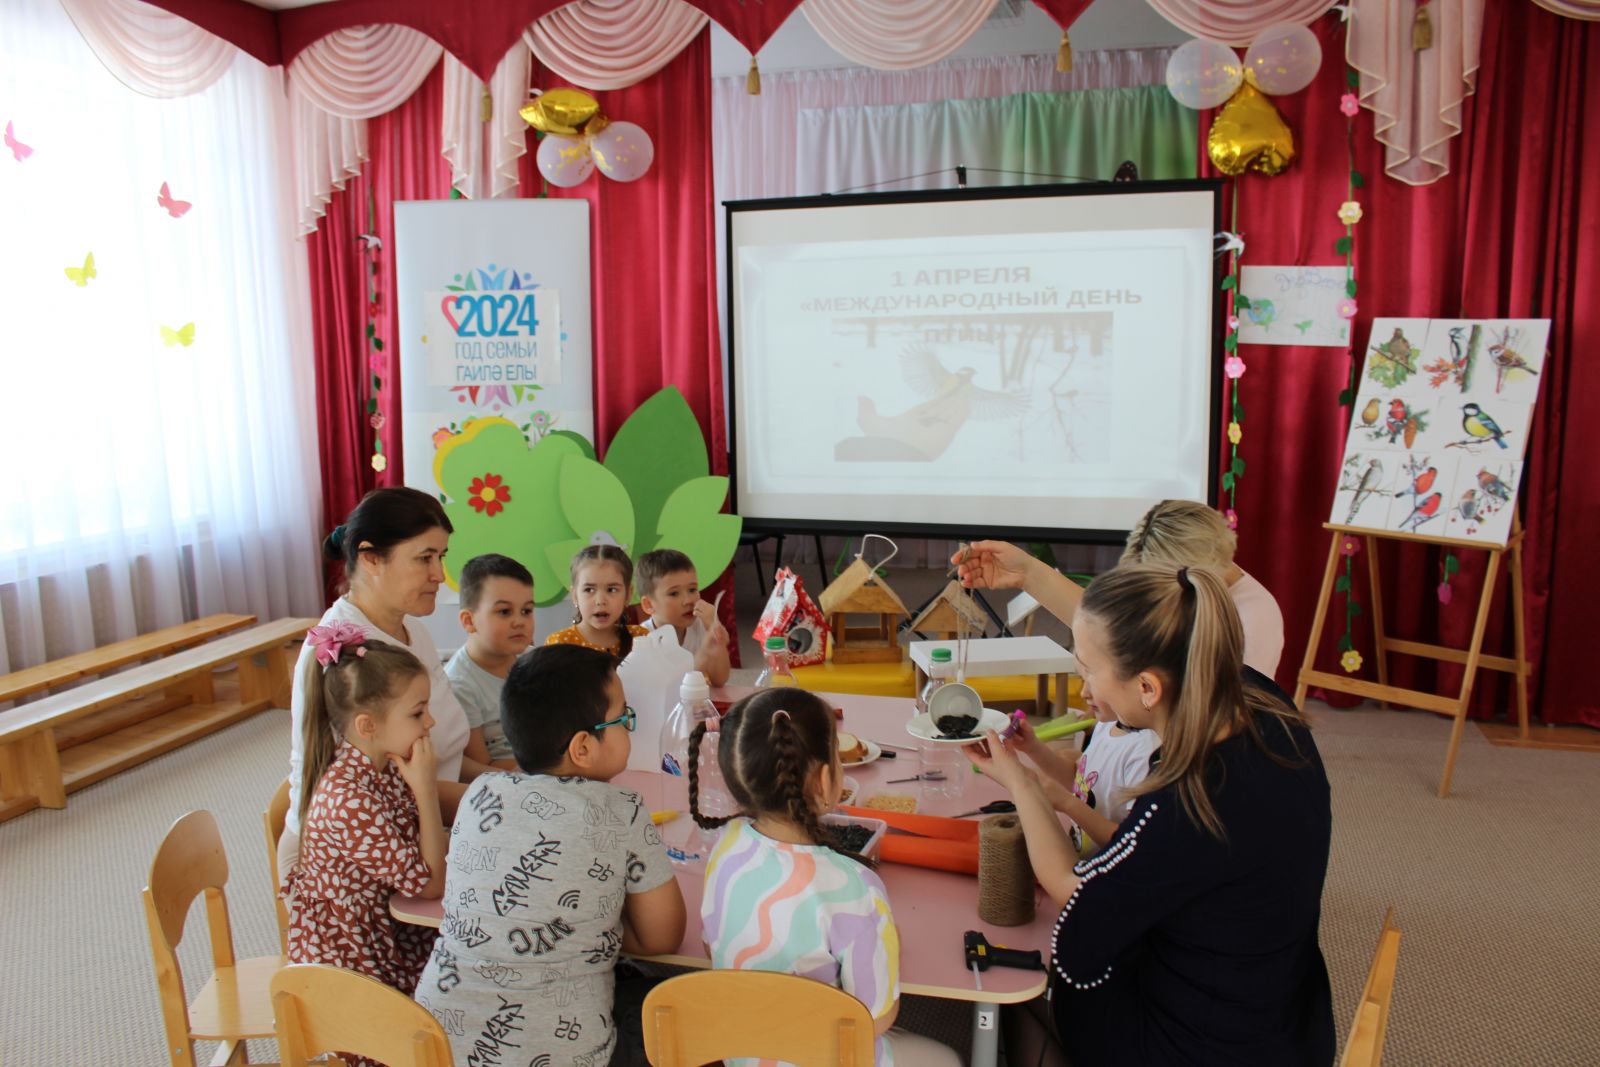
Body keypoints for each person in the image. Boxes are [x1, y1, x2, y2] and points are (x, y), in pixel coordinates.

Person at [970, 564, 1335, 1066]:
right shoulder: (1254, 697)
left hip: (1214, 1044)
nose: (1083, 686)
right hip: (1286, 1004)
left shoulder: (1191, 802)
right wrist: (1028, 572)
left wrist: (1022, 784)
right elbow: (1120, 633)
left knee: (1030, 982)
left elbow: (1077, 895)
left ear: (1146, 687)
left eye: (1087, 671)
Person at [414, 644, 686, 1067]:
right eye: (623, 718)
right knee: (673, 1006)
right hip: (567, 1056)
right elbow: (662, 938)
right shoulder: (623, 810)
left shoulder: (480, 793)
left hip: (435, 1047)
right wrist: (590, 932)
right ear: (583, 748)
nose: (630, 727)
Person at [691, 689, 962, 1067]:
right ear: (822, 780)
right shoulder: (855, 887)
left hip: (743, 1053)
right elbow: (875, 1019)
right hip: (826, 1058)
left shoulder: (725, 843)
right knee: (948, 1058)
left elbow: (711, 946)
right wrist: (886, 945)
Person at [283, 488, 491, 880]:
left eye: (441, 557)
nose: (439, 575)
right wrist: (501, 798)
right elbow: (393, 795)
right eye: (424, 558)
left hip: (420, 826)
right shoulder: (348, 654)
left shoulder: (412, 629)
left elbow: (439, 752)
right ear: (370, 558)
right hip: (358, 858)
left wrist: (502, 782)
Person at [286, 627, 446, 1010]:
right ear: (367, 726)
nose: (430, 723)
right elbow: (431, 884)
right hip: (353, 958)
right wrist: (425, 789)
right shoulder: (348, 803)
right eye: (418, 713)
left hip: (387, 924)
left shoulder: (383, 763)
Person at [958, 499, 1286, 677]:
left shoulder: (1253, 619)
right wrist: (1027, 573)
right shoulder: (1186, 588)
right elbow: (1107, 627)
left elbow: (1221, 721)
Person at [1005, 694, 1159, 859]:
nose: (1084, 692)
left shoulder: (1146, 752)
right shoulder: (1107, 725)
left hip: (1110, 869)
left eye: (1094, 680)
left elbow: (1134, 843)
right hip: (1083, 859)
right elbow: (1079, 779)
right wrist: (1032, 747)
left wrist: (1067, 803)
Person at [445, 553, 535, 771]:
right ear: (469, 621)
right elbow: (481, 765)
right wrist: (550, 769)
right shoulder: (459, 685)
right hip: (505, 781)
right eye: (504, 612)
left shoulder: (533, 661)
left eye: (526, 611)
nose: (519, 622)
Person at [635, 548, 730, 686]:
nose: (689, 600)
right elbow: (672, 689)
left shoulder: (699, 625)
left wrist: (717, 639)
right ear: (648, 604)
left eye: (692, 590)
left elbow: (720, 680)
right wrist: (704, 654)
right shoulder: (643, 638)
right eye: (674, 593)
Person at [545, 544, 649, 658]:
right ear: (575, 595)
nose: (600, 601)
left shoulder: (641, 638)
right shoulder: (559, 644)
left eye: (612, 590)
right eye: (589, 590)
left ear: (628, 595)